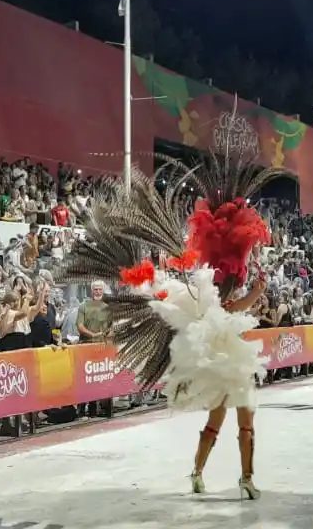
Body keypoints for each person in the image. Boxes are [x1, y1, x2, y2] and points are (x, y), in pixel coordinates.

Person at [61, 146, 280, 500]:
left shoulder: (207, 286)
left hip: (229, 359)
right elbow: (229, 306)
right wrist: (255, 293)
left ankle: (215, 474)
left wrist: (253, 293)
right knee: (237, 423)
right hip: (228, 361)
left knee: (227, 423)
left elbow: (230, 306)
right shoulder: (207, 289)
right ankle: (235, 476)